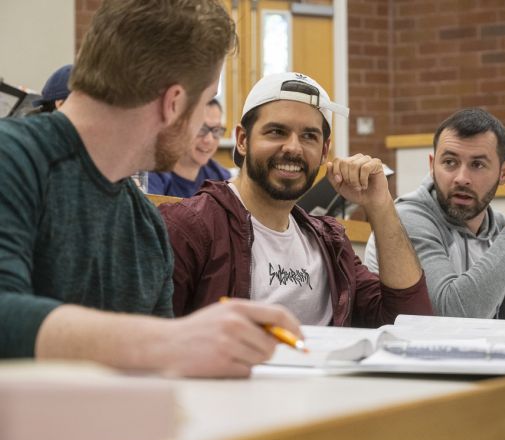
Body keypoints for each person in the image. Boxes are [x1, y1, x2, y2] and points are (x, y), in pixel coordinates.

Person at [0, 0, 301, 378]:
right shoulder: (10, 159)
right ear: (174, 103)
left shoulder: (147, 227)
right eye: (206, 101)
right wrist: (171, 341)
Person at [160, 72, 432, 326]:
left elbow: (411, 323)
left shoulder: (330, 244)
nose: (293, 148)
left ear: (324, 150)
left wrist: (380, 204)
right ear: (242, 140)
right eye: (276, 132)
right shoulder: (190, 228)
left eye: (309, 136)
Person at [365, 108, 505, 327]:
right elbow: (451, 318)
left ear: (504, 173)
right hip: (401, 358)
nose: (461, 178)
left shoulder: (497, 229)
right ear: (432, 165)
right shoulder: (405, 219)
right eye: (449, 162)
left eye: (477, 165)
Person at [148, 98, 231, 197]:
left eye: (216, 130)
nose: (209, 140)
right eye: (201, 128)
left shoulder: (220, 177)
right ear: (179, 127)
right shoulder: (154, 175)